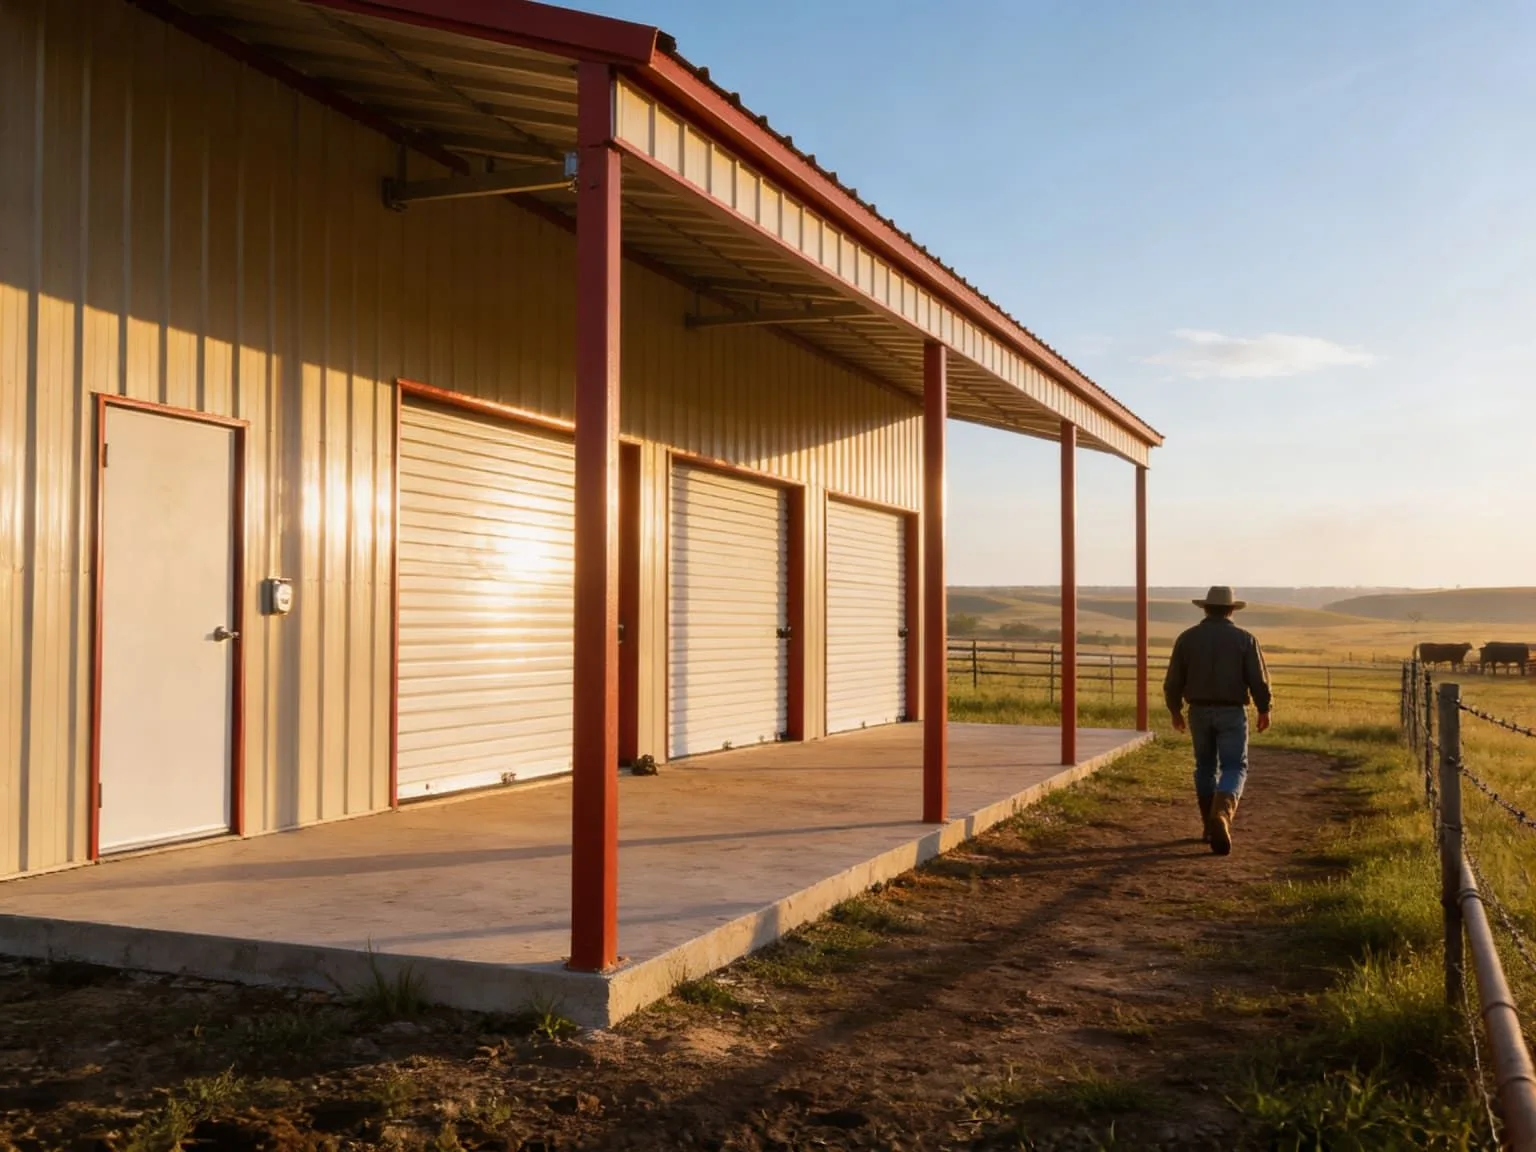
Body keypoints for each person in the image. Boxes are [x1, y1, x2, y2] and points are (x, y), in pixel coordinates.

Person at [1162, 586, 1272, 856]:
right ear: (1232, 609)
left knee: (1205, 766)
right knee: (1235, 766)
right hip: (1232, 711)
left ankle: (1209, 826)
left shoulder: (1187, 639)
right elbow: (1258, 680)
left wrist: (1175, 711)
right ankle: (1221, 815)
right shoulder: (1245, 639)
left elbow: (1173, 681)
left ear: (1205, 608)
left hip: (1198, 710)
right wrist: (1264, 708)